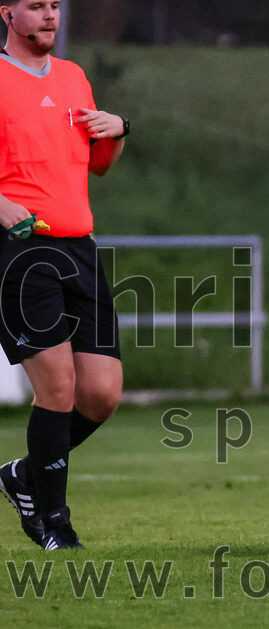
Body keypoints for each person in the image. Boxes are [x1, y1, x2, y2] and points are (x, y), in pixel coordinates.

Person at [0, 0, 129, 550]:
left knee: (100, 394)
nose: (50, 15)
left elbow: (98, 164)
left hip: (80, 247)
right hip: (22, 251)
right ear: (8, 14)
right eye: (36, 6)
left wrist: (118, 130)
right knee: (56, 388)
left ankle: (23, 475)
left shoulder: (74, 76)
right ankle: (54, 525)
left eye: (54, 5)